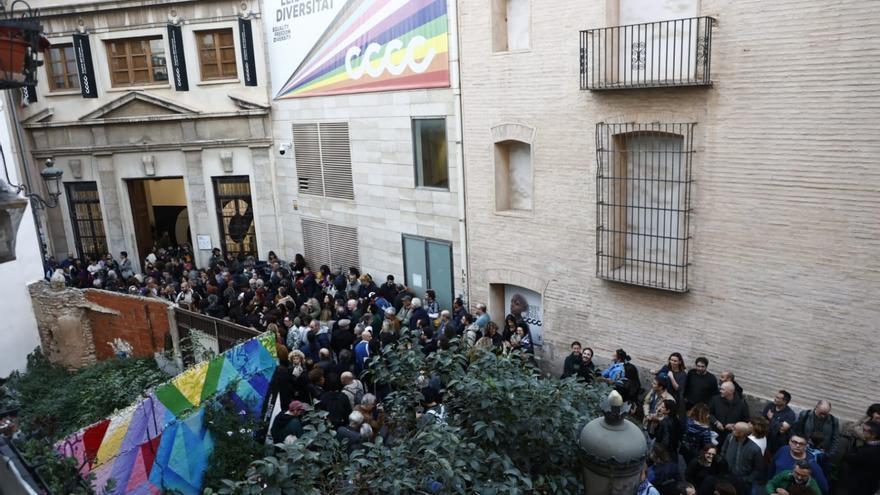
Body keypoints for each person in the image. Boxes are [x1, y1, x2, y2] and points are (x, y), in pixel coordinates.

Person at [719, 422, 763, 493]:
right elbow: (723, 451)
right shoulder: (729, 437)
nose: (732, 429)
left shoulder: (755, 449)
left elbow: (758, 469)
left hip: (743, 481)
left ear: (742, 434)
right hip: (727, 476)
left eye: (735, 429)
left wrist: (747, 479)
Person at [842, 420, 880, 495]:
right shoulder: (872, 447)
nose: (862, 432)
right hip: (871, 485)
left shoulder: (866, 451)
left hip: (859, 486)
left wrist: (853, 448)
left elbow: (849, 458)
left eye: (864, 430)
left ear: (873, 435)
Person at [709, 382, 750, 447]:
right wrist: (716, 422)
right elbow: (709, 413)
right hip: (715, 433)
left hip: (731, 436)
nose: (720, 391)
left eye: (723, 389)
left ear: (731, 391)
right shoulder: (715, 399)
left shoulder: (742, 405)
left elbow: (746, 421)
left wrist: (734, 425)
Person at [763, 390, 796, 456]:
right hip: (765, 438)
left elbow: (782, 429)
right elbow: (763, 420)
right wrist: (777, 425)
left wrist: (771, 419)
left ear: (784, 401)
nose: (775, 399)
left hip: (777, 444)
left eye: (778, 398)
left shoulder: (790, 414)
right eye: (776, 397)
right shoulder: (770, 405)